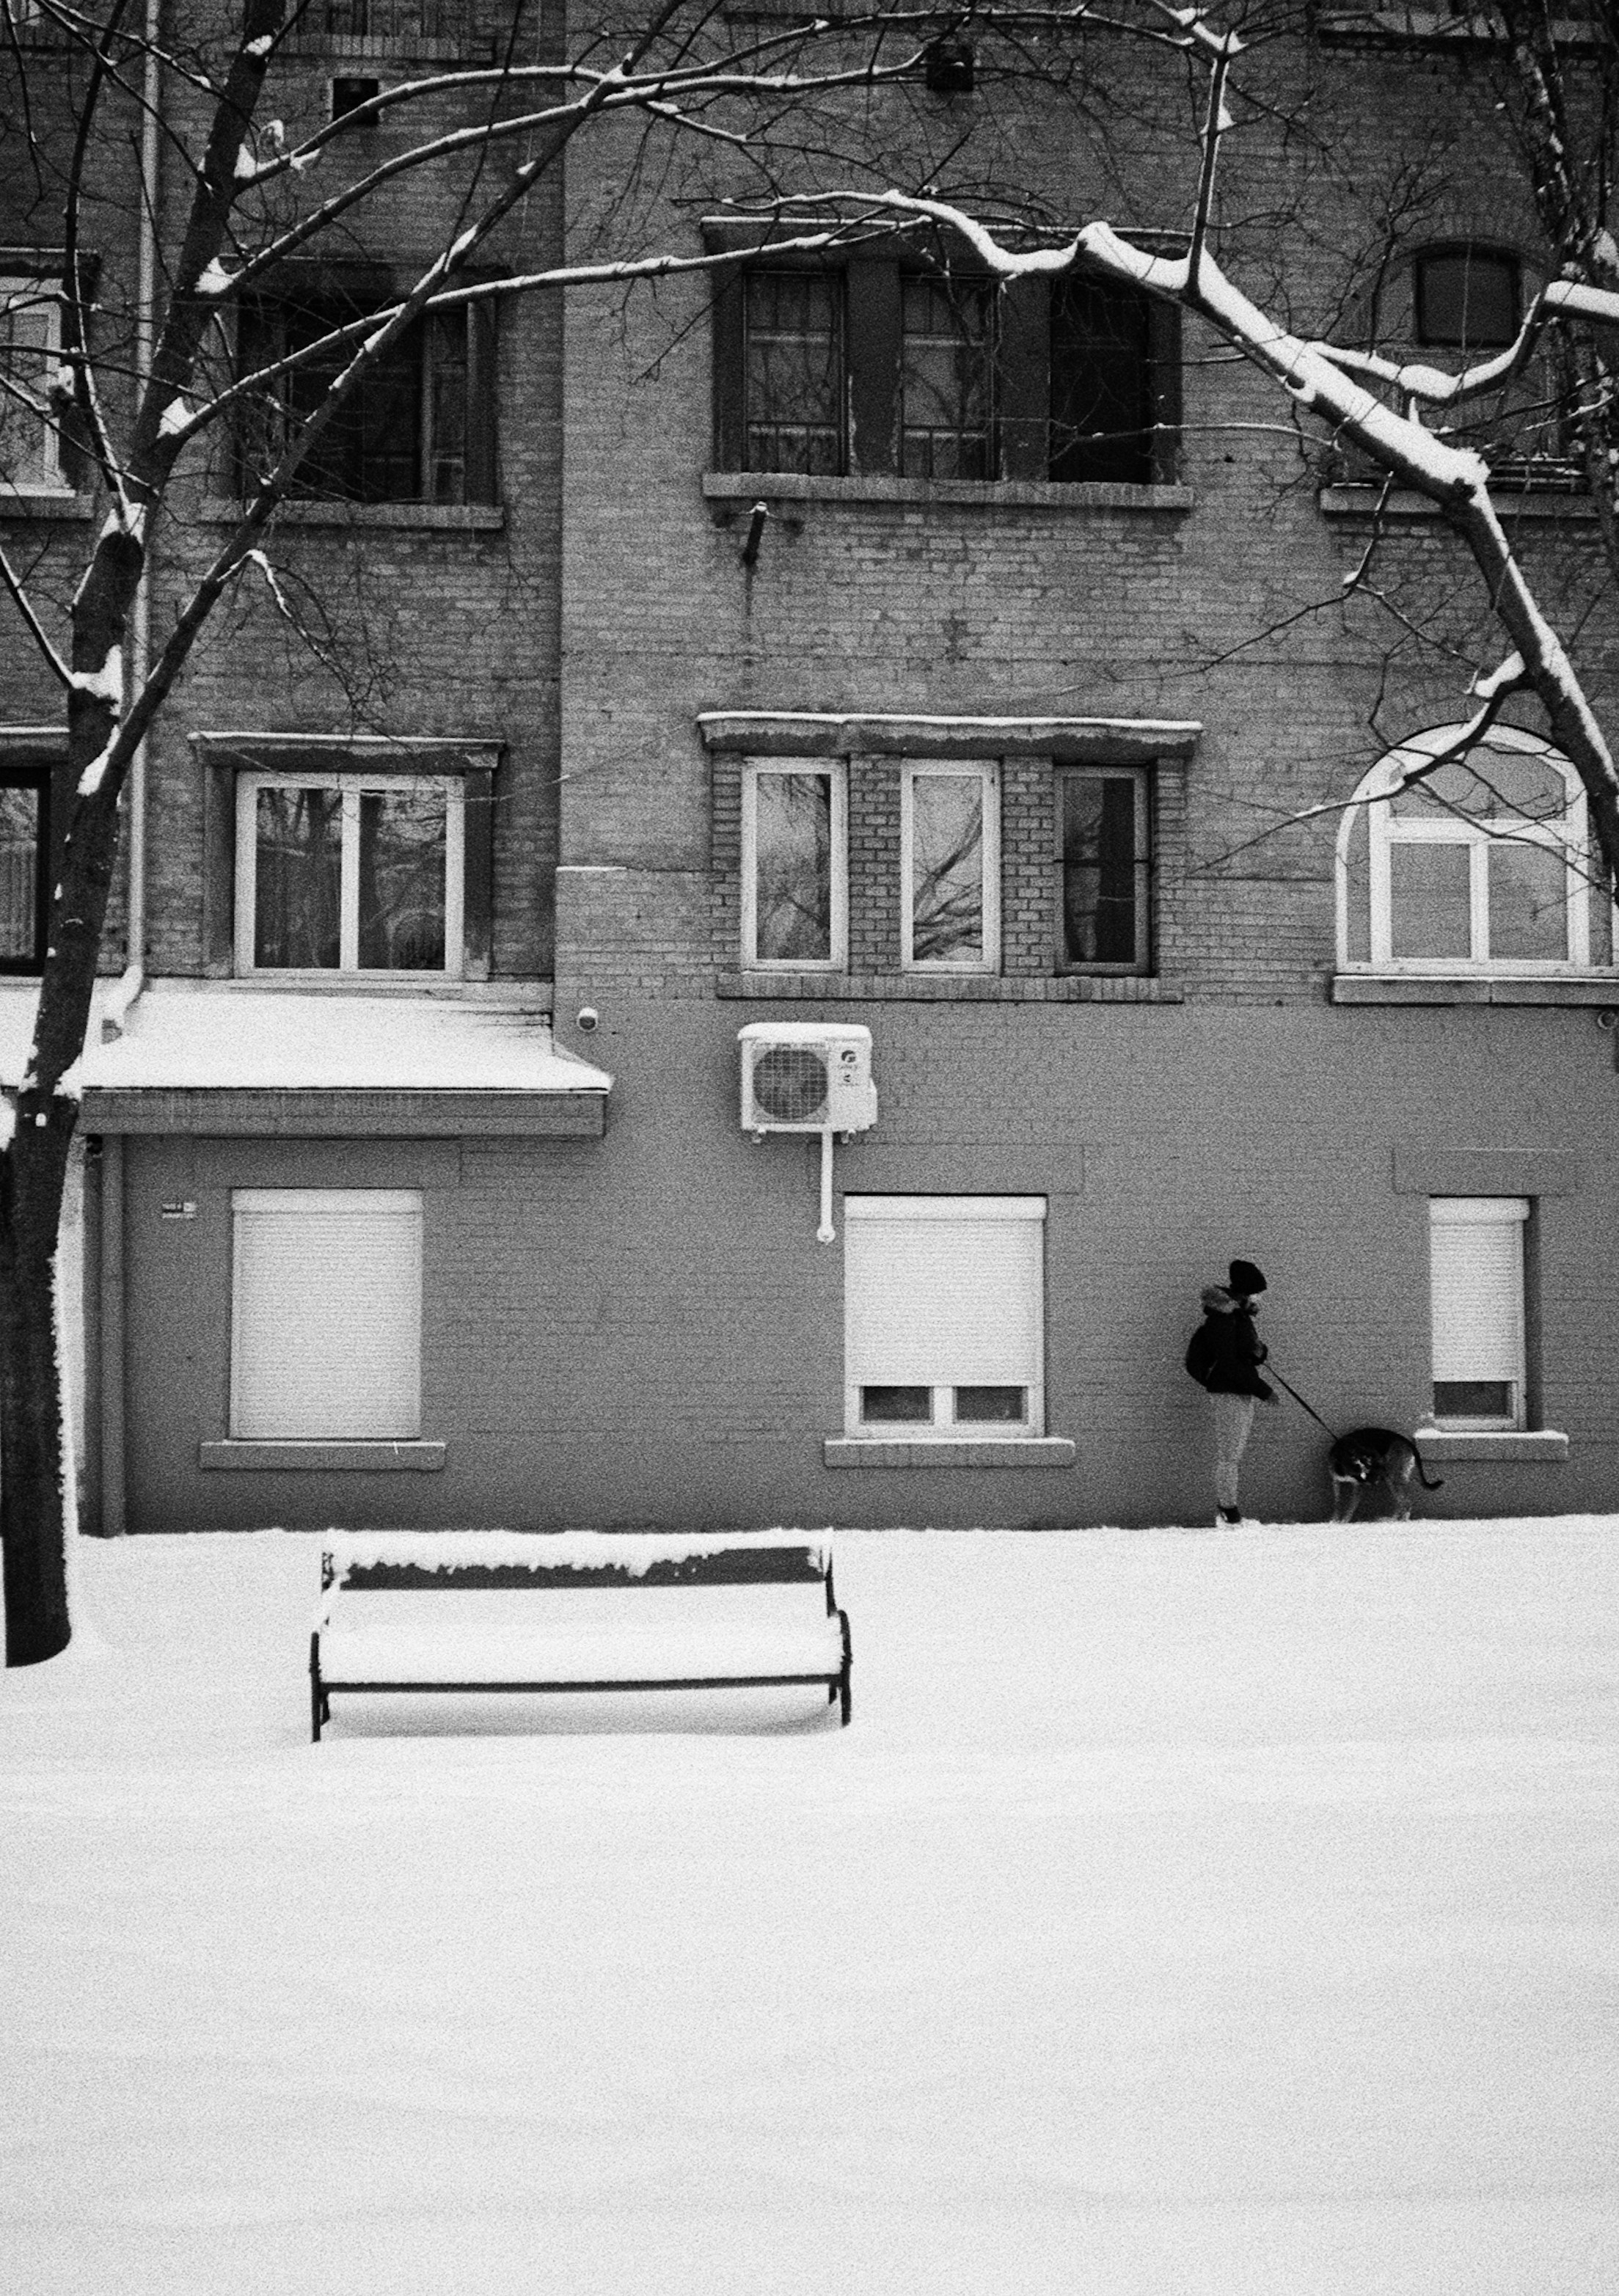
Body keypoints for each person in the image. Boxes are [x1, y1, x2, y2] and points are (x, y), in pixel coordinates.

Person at [1184, 1257, 1279, 1524]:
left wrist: (1260, 1352)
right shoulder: (1223, 1320)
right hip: (1227, 1391)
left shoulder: (1238, 1317)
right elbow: (1228, 1362)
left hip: (1238, 1390)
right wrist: (1264, 1391)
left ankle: (1228, 1508)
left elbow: (1247, 1351)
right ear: (1245, 1291)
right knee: (1229, 1454)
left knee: (1233, 1452)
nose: (1259, 1298)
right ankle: (1229, 1510)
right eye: (1256, 1292)